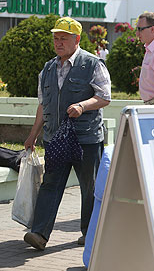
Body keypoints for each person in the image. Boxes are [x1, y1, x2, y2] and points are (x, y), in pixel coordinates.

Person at [23, 17, 111, 250]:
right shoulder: (48, 68)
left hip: (86, 139)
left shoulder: (92, 63)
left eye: (64, 38)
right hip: (55, 138)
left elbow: (104, 97)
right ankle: (39, 234)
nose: (58, 42)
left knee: (89, 187)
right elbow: (43, 105)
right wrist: (33, 135)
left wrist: (83, 105)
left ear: (77, 40)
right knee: (50, 184)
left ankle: (89, 234)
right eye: (56, 38)